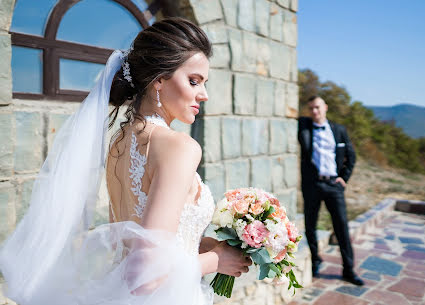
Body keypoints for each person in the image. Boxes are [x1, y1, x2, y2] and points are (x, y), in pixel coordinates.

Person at [0, 18, 251, 305]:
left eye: (204, 83)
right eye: (194, 81)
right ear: (159, 79)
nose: (203, 94)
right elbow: (145, 273)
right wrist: (215, 260)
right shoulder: (180, 147)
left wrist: (208, 245)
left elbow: (134, 237)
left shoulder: (120, 142)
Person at [298, 96, 364, 286]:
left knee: (341, 226)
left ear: (325, 107)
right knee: (310, 225)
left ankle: (349, 269)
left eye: (317, 107)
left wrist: (344, 178)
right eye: (311, 108)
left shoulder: (339, 130)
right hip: (313, 185)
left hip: (334, 186)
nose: (314, 112)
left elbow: (351, 156)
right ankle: (315, 261)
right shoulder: (304, 126)